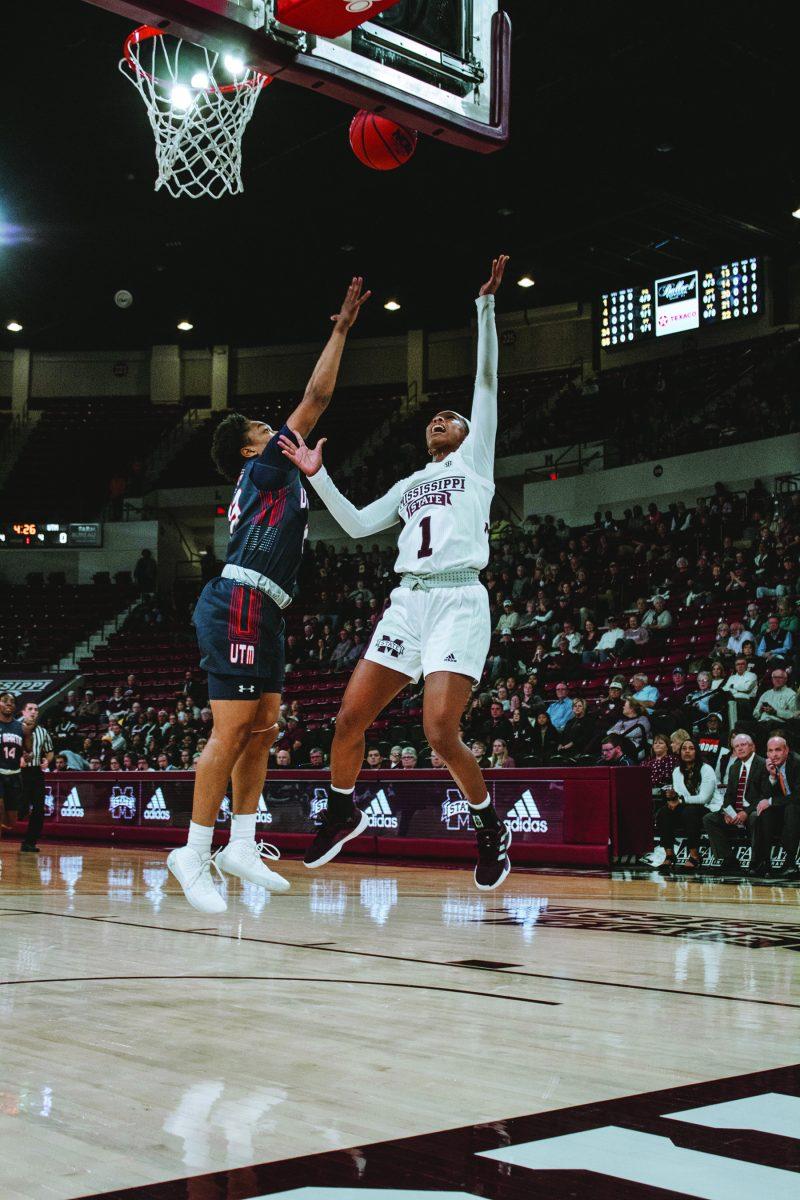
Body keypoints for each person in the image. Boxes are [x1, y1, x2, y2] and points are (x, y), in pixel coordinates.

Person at [281, 257, 513, 891]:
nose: (440, 418)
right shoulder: (412, 483)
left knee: (439, 731)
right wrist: (317, 473)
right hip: (407, 602)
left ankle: (489, 824)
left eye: (450, 417)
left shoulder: (477, 463)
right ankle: (341, 809)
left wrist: (485, 308)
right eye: (432, 419)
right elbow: (356, 525)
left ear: (467, 434)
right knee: (349, 719)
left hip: (460, 599)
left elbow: (486, 382)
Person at [167, 276, 371, 914]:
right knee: (230, 733)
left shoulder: (276, 473)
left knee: (262, 730)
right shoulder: (265, 466)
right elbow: (318, 394)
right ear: (251, 449)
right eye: (263, 425)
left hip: (270, 608)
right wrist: (340, 329)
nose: (274, 427)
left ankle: (241, 843)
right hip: (241, 601)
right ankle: (193, 852)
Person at [702, 732, 771, 875]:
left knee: (754, 817)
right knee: (709, 819)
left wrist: (745, 812)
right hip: (735, 811)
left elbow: (765, 795)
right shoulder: (734, 767)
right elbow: (729, 795)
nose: (739, 749)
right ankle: (729, 860)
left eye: (743, 745)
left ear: (752, 747)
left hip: (753, 810)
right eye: (736, 746)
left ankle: (757, 863)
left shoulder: (763, 764)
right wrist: (726, 811)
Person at [656, 738, 720, 874]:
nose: (687, 751)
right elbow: (679, 795)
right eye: (684, 748)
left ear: (696, 752)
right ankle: (669, 854)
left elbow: (704, 798)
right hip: (686, 806)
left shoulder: (706, 769)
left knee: (690, 812)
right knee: (664, 812)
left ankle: (695, 856)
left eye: (691, 748)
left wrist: (680, 801)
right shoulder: (677, 771)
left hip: (709, 807)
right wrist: (672, 798)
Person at [754, 735, 800, 880]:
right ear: (767, 754)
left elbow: (798, 796)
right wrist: (772, 777)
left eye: (778, 750)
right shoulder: (769, 766)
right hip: (786, 808)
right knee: (765, 813)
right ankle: (765, 861)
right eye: (770, 751)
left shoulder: (797, 763)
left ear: (786, 750)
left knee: (792, 808)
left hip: (795, 807)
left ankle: (791, 862)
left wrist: (771, 801)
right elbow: (764, 795)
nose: (774, 754)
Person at [19, 702, 54, 852]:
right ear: (23, 712)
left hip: (36, 772)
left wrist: (47, 760)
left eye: (36, 710)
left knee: (39, 809)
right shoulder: (14, 729)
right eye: (30, 709)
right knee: (19, 810)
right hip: (17, 773)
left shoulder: (42, 732)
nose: (33, 712)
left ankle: (29, 842)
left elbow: (50, 751)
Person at [0, 693, 37, 833]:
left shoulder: (23, 728)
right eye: (5, 701)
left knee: (11, 821)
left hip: (14, 775)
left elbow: (30, 752)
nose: (9, 703)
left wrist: (29, 756)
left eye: (12, 702)